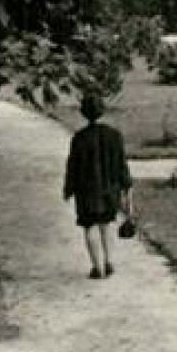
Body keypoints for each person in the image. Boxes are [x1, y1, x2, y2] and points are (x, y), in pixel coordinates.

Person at [63, 95, 132, 280]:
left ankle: (97, 267)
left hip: (86, 192)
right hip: (110, 189)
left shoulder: (79, 138)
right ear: (102, 110)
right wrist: (126, 186)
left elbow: (72, 166)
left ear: (83, 112)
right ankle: (109, 261)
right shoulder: (114, 136)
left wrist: (68, 189)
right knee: (107, 224)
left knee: (90, 226)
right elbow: (121, 164)